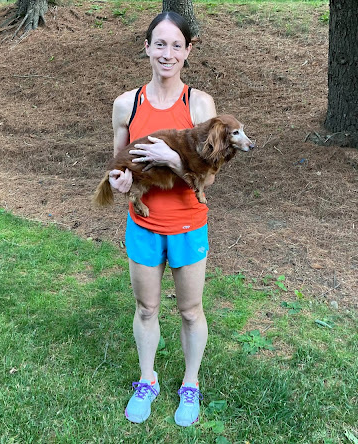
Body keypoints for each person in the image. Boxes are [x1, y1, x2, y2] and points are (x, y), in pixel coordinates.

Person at [108, 11, 217, 427]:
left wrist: (172, 159)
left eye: (176, 45)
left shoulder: (199, 105)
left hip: (188, 224)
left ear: (188, 51)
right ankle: (147, 379)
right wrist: (119, 182)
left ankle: (190, 383)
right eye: (160, 44)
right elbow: (120, 165)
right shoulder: (127, 104)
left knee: (190, 310)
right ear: (147, 48)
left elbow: (209, 176)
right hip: (145, 226)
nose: (167, 53)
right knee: (146, 307)